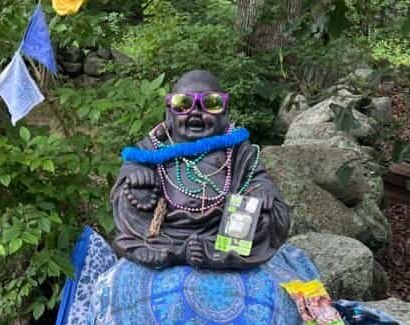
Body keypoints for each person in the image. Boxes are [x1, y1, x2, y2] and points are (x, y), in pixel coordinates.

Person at [111, 69, 290, 269]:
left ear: (224, 112)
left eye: (210, 103)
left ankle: (217, 255)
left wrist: (261, 189)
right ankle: (177, 254)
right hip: (167, 234)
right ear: (169, 111)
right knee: (127, 220)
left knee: (265, 215)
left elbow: (257, 177)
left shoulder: (237, 149)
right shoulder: (151, 148)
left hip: (223, 230)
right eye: (183, 104)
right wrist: (136, 178)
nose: (195, 112)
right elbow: (128, 176)